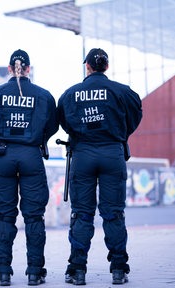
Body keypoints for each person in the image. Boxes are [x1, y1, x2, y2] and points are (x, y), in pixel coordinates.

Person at [56, 48, 142, 285]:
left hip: (83, 154)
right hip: (112, 153)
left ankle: (77, 270)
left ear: (88, 67)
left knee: (82, 214)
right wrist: (120, 134)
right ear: (105, 66)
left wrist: (80, 133)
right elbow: (136, 113)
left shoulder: (70, 94)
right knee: (113, 213)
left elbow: (62, 119)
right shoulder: (122, 92)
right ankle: (118, 269)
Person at [0, 49, 59, 286]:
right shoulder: (43, 96)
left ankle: (3, 271)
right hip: (31, 155)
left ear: (9, 69)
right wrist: (37, 139)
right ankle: (35, 272)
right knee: (34, 216)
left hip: (3, 156)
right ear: (28, 69)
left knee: (4, 216)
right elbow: (52, 126)